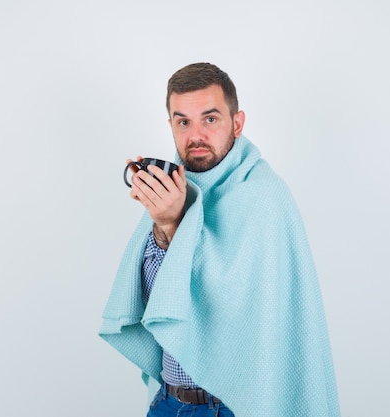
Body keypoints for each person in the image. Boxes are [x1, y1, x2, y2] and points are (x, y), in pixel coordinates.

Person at [99, 63, 340, 417]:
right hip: (168, 402)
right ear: (171, 126)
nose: (195, 135)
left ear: (237, 124)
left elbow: (227, 307)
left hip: (232, 406)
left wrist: (174, 222)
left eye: (209, 119)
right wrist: (165, 223)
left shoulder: (264, 197)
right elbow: (156, 303)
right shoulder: (178, 192)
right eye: (183, 122)